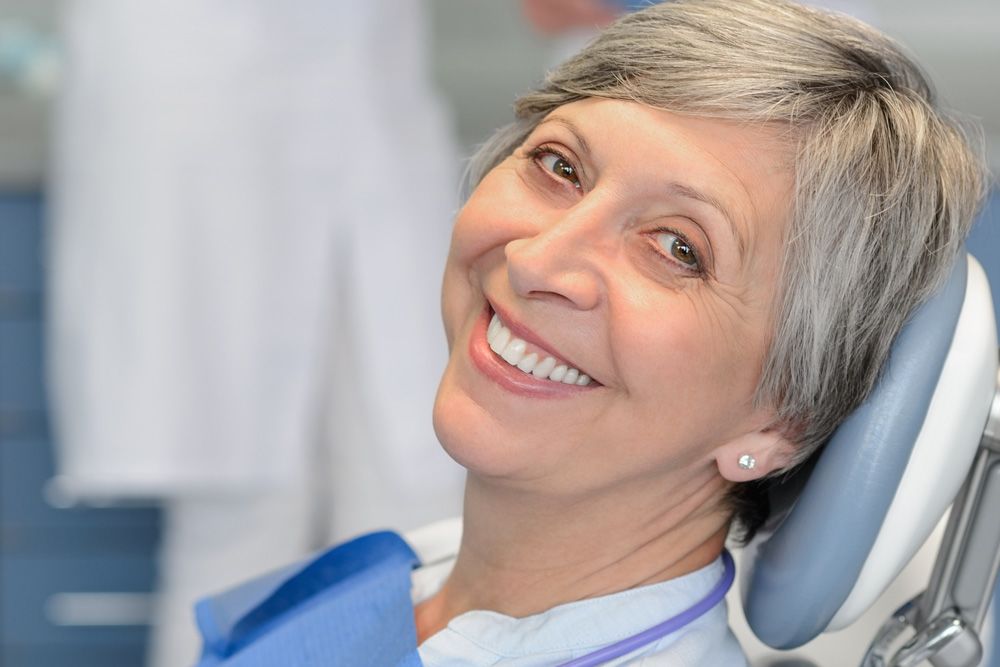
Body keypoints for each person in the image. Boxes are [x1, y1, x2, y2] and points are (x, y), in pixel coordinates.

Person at [195, 1, 986, 664]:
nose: (540, 259)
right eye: (560, 166)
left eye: (679, 248)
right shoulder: (409, 575)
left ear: (782, 414)